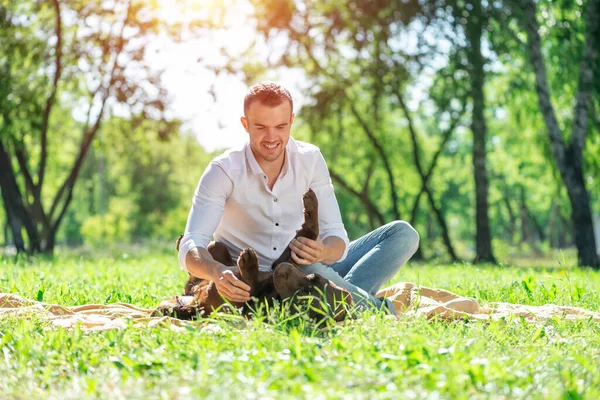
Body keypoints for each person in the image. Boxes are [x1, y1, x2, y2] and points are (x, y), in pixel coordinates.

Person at [178, 81, 420, 315]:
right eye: (261, 127)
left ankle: (338, 298)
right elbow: (192, 242)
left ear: (292, 120)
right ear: (245, 124)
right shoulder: (223, 170)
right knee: (312, 272)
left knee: (403, 234)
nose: (272, 138)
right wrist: (217, 271)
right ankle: (375, 310)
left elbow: (336, 236)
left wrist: (323, 252)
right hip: (259, 284)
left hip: (310, 268)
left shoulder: (310, 158)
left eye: (281, 126)